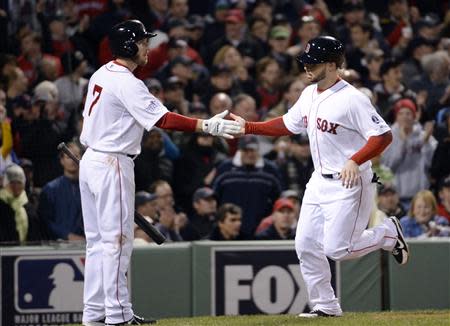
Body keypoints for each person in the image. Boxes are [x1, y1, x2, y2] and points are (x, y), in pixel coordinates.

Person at [229, 36, 409, 318]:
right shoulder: (309, 93)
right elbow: (288, 124)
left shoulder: (353, 99)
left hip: (350, 181)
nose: (306, 67)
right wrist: (249, 127)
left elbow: (383, 135)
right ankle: (326, 304)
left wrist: (355, 159)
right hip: (318, 180)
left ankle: (387, 234)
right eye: (305, 61)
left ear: (332, 64)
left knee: (339, 248)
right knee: (305, 244)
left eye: (313, 62)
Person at [78, 20, 240, 326]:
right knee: (117, 241)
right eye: (142, 42)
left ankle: (95, 313)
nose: (147, 47)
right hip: (112, 161)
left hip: (92, 160)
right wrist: (206, 125)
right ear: (129, 46)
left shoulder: (101, 73)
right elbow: (163, 119)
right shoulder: (127, 81)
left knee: (98, 242)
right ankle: (117, 314)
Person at [38, 141, 84, 241]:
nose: (72, 160)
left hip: (86, 245)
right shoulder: (50, 189)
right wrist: (67, 235)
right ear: (62, 160)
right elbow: (45, 221)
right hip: (57, 247)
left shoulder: (89, 188)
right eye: (68, 157)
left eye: (75, 156)